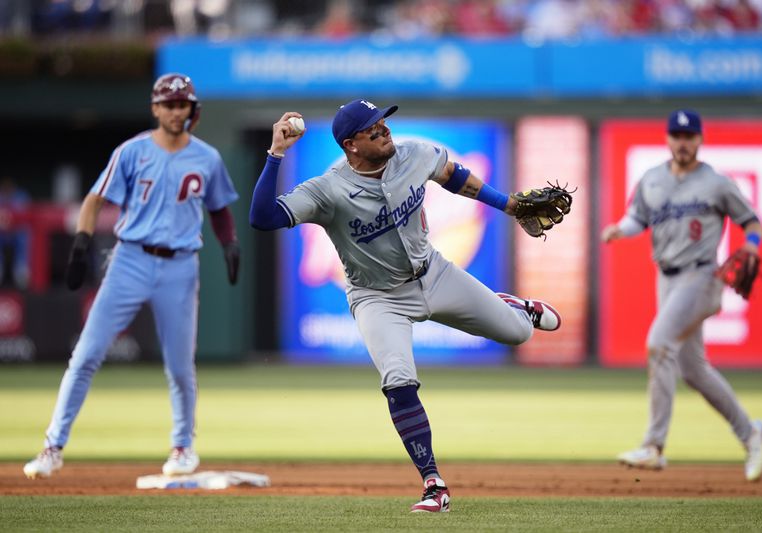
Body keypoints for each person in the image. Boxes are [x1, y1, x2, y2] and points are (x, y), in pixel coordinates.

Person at [250, 100, 563, 513]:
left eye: (383, 121)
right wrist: (276, 155)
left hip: (433, 273)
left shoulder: (413, 154)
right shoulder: (328, 190)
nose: (383, 129)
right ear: (351, 144)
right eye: (371, 128)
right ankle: (434, 484)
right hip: (377, 297)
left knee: (520, 331)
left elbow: (453, 177)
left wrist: (509, 205)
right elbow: (263, 217)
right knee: (398, 379)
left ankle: (509, 305)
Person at [23, 73, 240, 479]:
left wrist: (228, 243)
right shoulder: (132, 151)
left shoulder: (207, 157)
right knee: (85, 355)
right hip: (131, 259)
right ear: (156, 108)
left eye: (183, 104)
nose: (177, 111)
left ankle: (182, 447)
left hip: (180, 264)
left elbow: (219, 208)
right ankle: (52, 446)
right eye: (169, 104)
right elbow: (93, 200)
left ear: (193, 109)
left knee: (179, 365)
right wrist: (81, 244)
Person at [601, 109, 762, 482]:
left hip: (703, 275)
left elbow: (751, 221)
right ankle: (749, 431)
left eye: (689, 136)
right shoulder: (652, 179)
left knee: (659, 345)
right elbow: (637, 218)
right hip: (668, 278)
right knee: (693, 371)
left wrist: (753, 245)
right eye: (677, 135)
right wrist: (619, 230)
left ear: (700, 140)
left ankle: (654, 446)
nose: (683, 142)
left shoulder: (716, 183)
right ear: (668, 139)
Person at [0, 176, 31, 289]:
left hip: (17, 233)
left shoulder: (21, 196)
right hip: (2, 233)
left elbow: (27, 216)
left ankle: (21, 270)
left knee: (24, 235)